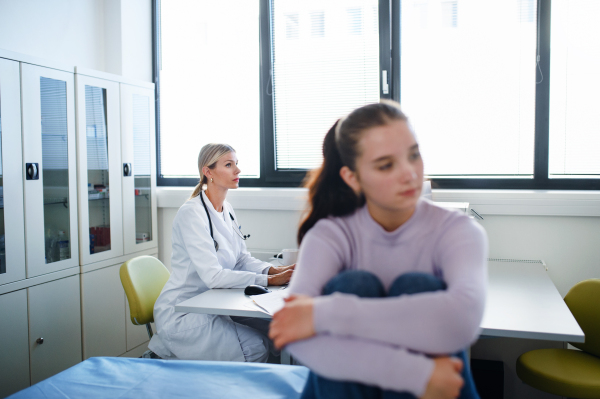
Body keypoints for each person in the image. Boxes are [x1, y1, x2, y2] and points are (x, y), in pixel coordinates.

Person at [268, 101, 488, 399]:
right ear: (352, 177)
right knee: (353, 284)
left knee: (417, 286)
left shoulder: (458, 230)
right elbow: (289, 331)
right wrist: (417, 375)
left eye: (414, 155)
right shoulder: (332, 234)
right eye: (386, 165)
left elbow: (462, 321)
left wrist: (324, 314)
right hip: (414, 384)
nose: (410, 174)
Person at [148, 143, 294, 362]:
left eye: (237, 164)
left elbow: (241, 258)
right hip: (185, 311)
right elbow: (213, 276)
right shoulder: (192, 214)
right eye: (228, 165)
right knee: (255, 347)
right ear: (208, 172)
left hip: (216, 302)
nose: (237, 171)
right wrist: (269, 280)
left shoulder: (227, 210)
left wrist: (275, 270)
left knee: (276, 332)